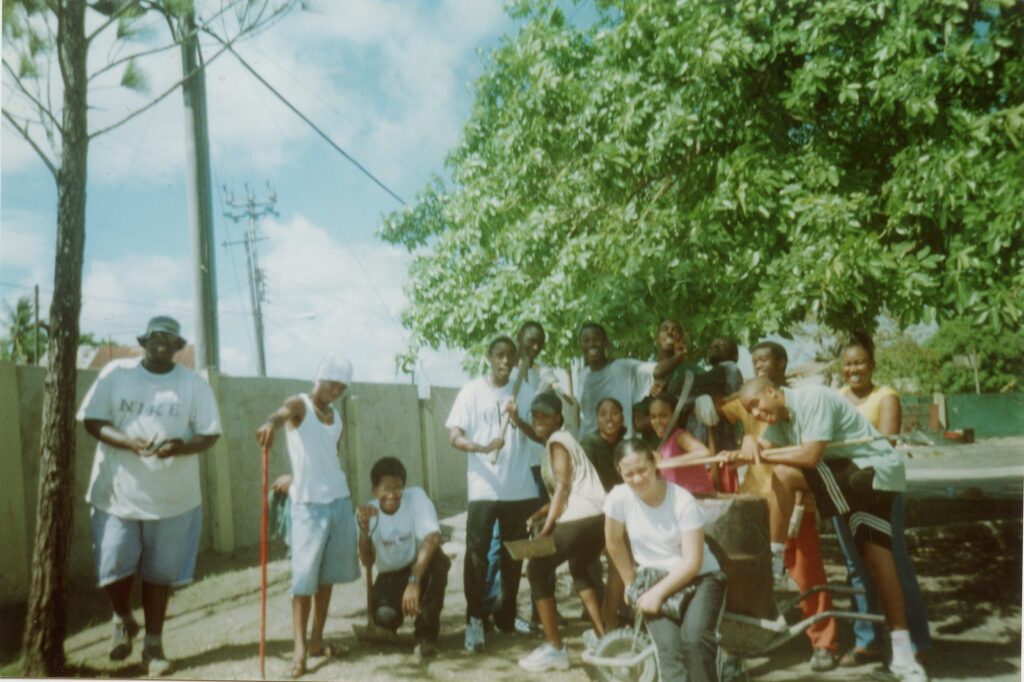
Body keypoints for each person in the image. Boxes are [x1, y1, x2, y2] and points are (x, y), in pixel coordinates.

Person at [726, 377, 928, 682]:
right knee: (876, 561)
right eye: (749, 411)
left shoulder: (813, 398)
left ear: (772, 391)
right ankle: (903, 657)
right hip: (853, 478)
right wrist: (748, 442)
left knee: (784, 473)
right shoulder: (783, 419)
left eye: (757, 404)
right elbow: (764, 443)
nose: (756, 414)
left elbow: (809, 456)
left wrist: (760, 453)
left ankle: (775, 560)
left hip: (872, 474)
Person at [78, 316, 222, 676]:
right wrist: (127, 441)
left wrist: (180, 447)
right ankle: (123, 617)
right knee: (111, 566)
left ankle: (153, 646)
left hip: (173, 498)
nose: (162, 344)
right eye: (155, 337)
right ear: (144, 342)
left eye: (170, 339)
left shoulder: (193, 384)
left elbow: (210, 433)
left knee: (159, 576)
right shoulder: (116, 373)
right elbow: (92, 419)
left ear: (178, 347)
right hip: (117, 492)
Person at [717, 340, 838, 671]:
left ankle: (823, 642)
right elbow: (718, 412)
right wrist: (745, 439)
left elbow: (812, 455)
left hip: (796, 500)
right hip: (756, 501)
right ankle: (735, 648)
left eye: (765, 360)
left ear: (782, 363)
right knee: (745, 577)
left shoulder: (801, 402)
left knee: (806, 572)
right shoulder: (749, 397)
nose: (758, 366)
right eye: (753, 360)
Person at [255, 356, 361, 678]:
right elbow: (280, 414)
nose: (336, 390)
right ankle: (299, 651)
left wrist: (296, 476)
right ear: (319, 379)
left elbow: (326, 459)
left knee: (326, 577)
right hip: (308, 508)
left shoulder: (337, 416)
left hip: (339, 501)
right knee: (303, 580)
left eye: (342, 386)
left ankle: (317, 641)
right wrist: (270, 425)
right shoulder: (299, 404)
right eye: (332, 383)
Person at [836, 333, 931, 666]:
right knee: (855, 567)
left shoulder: (886, 396)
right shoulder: (835, 398)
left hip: (879, 491)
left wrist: (842, 456)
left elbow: (884, 445)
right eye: (848, 364)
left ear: (872, 364)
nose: (854, 369)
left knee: (894, 565)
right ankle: (869, 640)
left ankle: (916, 641)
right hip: (841, 491)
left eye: (860, 362)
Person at [604, 438, 726, 681]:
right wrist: (629, 582)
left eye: (643, 470)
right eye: (629, 474)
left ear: (655, 462)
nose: (637, 479)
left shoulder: (682, 500)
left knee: (694, 641)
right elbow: (614, 541)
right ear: (620, 471)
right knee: (670, 651)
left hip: (700, 577)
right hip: (653, 578)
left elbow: (692, 561)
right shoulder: (619, 498)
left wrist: (657, 594)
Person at [447, 336, 540, 652]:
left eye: (510, 357)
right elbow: (455, 437)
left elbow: (539, 433)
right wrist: (482, 447)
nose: (505, 362)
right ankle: (475, 619)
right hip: (484, 488)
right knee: (477, 555)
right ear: (488, 357)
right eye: (499, 355)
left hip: (519, 489)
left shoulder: (523, 391)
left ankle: (506, 616)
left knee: (514, 555)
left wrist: (517, 420)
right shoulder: (472, 392)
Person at [517, 393, 607, 672]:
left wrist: (546, 530)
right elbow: (568, 491)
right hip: (597, 516)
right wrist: (541, 513)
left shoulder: (558, 442)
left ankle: (555, 648)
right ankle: (603, 637)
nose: (538, 419)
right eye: (535, 415)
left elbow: (565, 488)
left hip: (582, 516)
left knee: (537, 568)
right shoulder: (564, 441)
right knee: (580, 569)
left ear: (559, 417)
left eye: (545, 414)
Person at [356, 457, 450, 659]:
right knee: (385, 616)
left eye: (397, 488)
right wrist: (364, 530)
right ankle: (386, 625)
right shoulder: (368, 512)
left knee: (439, 560)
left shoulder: (416, 497)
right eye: (385, 489)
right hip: (390, 576)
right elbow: (367, 561)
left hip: (418, 568)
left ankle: (426, 636)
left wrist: (414, 581)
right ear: (374, 490)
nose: (392, 495)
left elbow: (433, 537)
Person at [577, 321, 688, 438]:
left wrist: (678, 357)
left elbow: (657, 370)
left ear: (606, 342)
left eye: (596, 339)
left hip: (621, 444)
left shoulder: (622, 367)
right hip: (588, 444)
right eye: (586, 341)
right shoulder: (582, 376)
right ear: (581, 345)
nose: (591, 344)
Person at [580, 397, 628, 630]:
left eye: (614, 412)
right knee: (594, 563)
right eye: (603, 414)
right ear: (597, 420)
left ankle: (611, 615)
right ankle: (602, 617)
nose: (609, 418)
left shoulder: (626, 445)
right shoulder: (589, 444)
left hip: (620, 512)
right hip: (594, 511)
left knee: (620, 563)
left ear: (623, 417)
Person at [648, 393, 714, 495]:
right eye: (653, 417)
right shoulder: (664, 444)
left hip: (699, 500)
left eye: (664, 416)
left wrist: (667, 462)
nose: (657, 422)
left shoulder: (680, 436)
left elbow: (704, 452)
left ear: (676, 416)